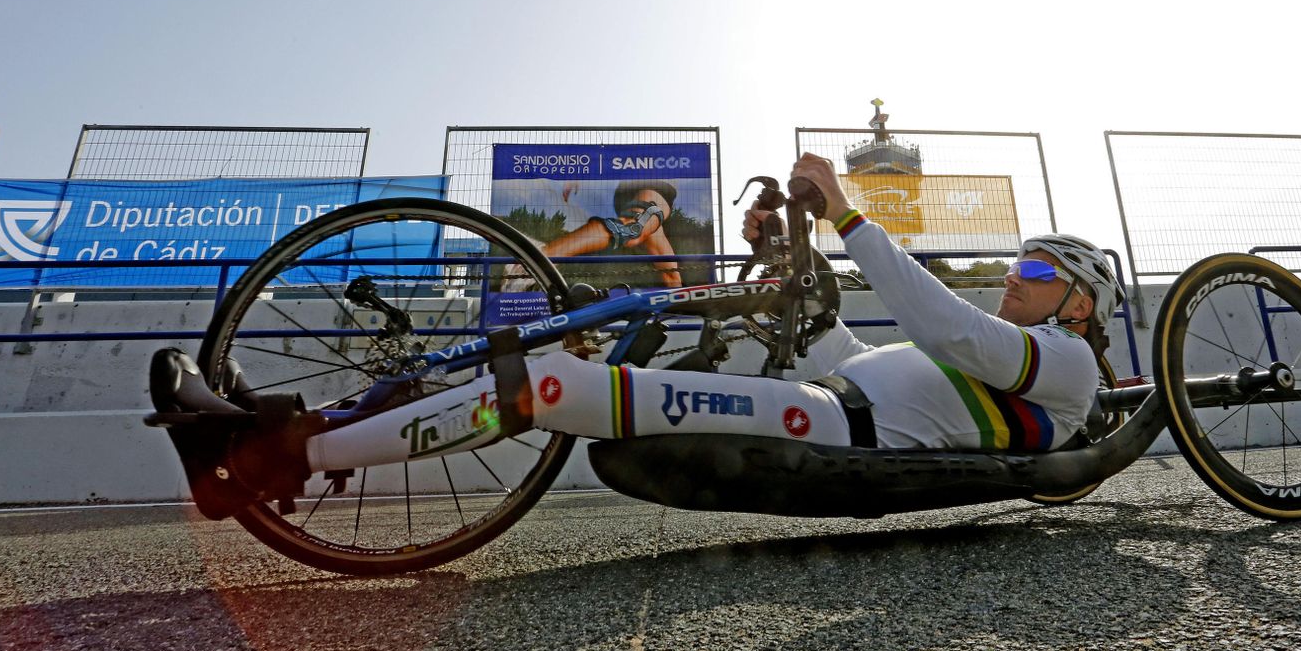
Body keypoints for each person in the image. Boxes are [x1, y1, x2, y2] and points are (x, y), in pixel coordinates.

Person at [304, 154, 1125, 475]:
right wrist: (784, 256)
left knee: (553, 388)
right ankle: (310, 421)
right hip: (831, 399)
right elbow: (830, 345)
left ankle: (295, 457)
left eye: (1038, 269)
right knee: (559, 364)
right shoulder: (1001, 360)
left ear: (1079, 304)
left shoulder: (1070, 365)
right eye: (1018, 263)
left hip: (833, 424)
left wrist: (844, 211)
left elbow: (944, 326)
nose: (1017, 276)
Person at [502, 179, 683, 291]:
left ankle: (680, 306)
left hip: (644, 189)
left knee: (668, 268)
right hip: (656, 183)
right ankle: (534, 261)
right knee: (632, 229)